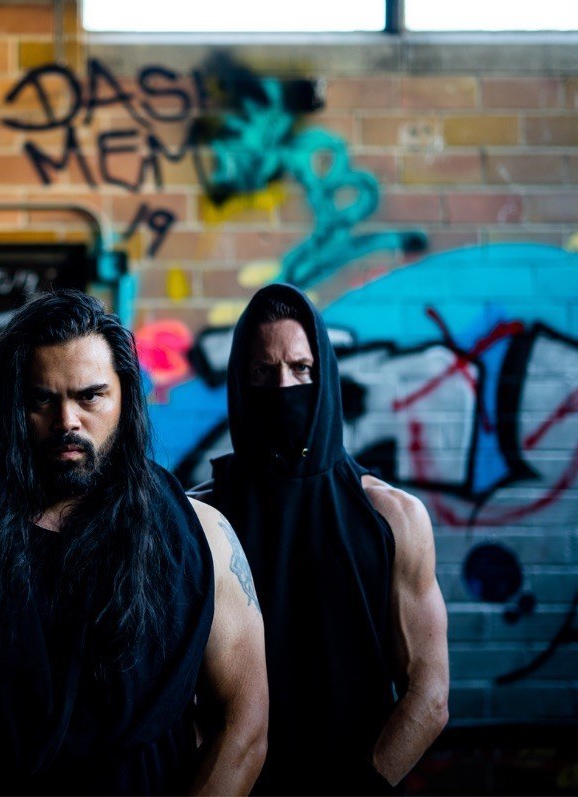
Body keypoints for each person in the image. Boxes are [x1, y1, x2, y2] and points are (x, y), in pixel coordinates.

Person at [0, 290, 268, 795]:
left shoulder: (203, 537)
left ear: (124, 398)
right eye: (43, 400)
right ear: (14, 407)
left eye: (90, 397)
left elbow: (243, 728)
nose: (67, 421)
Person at [190, 283, 449, 795]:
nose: (283, 387)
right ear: (241, 383)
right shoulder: (200, 520)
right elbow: (182, 697)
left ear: (324, 375)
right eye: (263, 372)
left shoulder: (393, 518)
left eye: (300, 369)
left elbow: (429, 693)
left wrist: (363, 787)